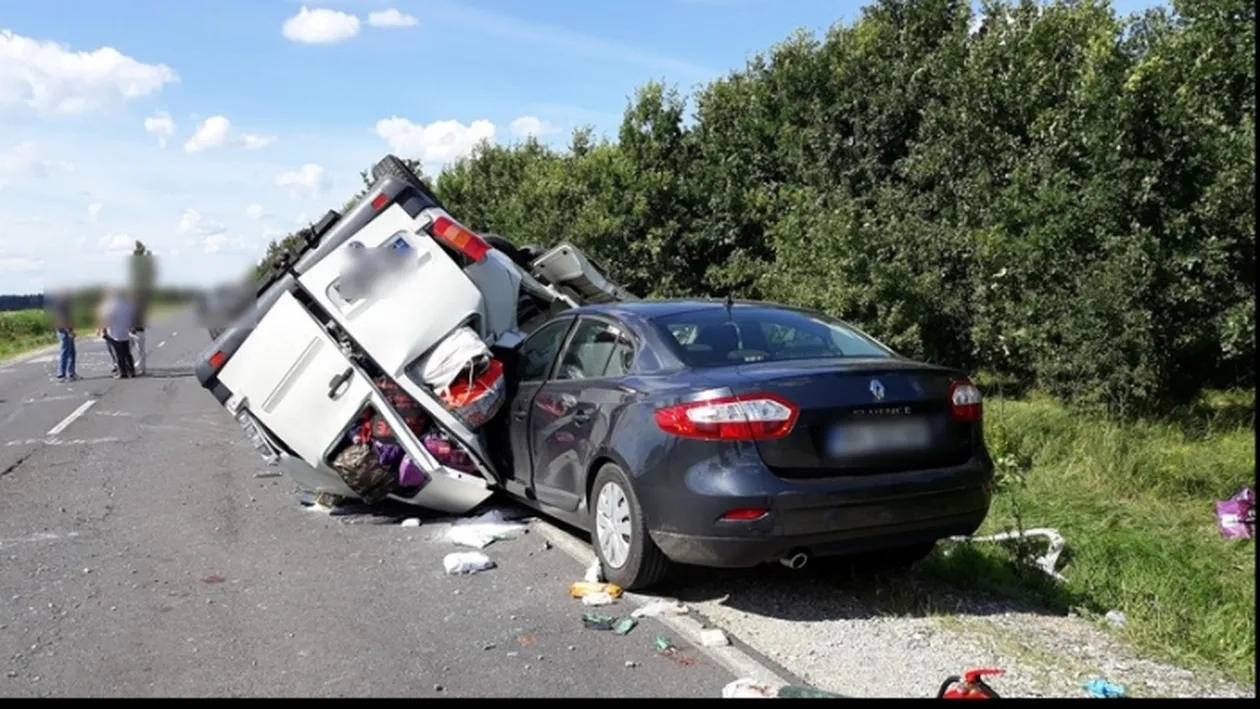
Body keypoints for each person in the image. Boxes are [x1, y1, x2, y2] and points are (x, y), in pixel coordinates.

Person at [97, 287, 136, 379]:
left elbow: (106, 319)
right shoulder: (126, 305)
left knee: (119, 354)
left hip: (114, 333)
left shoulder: (109, 306)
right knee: (127, 353)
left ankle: (123, 372)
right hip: (125, 332)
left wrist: (103, 331)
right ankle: (132, 371)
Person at [47, 288, 77, 382]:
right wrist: (69, 331)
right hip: (64, 330)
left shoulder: (62, 303)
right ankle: (62, 374)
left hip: (64, 329)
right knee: (66, 352)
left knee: (71, 353)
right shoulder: (62, 304)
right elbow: (63, 319)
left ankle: (71, 373)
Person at [130, 288, 148, 376]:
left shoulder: (139, 309)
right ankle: (130, 368)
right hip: (130, 332)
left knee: (141, 352)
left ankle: (142, 369)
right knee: (128, 352)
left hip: (138, 332)